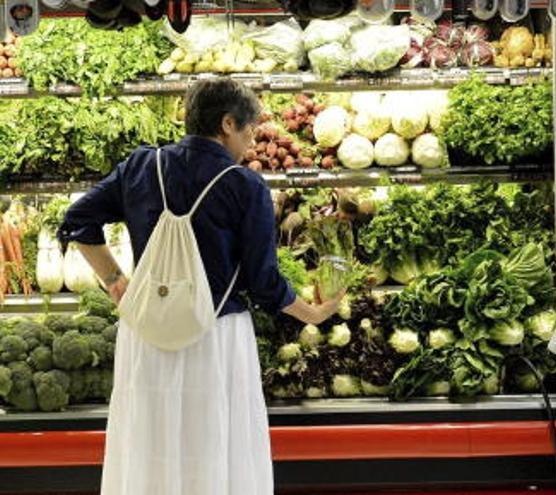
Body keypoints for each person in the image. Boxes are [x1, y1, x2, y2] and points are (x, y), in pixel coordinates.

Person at [57, 79, 343, 495]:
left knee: (151, 442)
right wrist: (314, 313)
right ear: (228, 123)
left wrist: (117, 282)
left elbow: (77, 221)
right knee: (213, 445)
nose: (250, 141)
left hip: (148, 335)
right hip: (215, 338)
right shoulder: (246, 186)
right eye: (249, 130)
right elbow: (265, 284)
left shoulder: (141, 165)